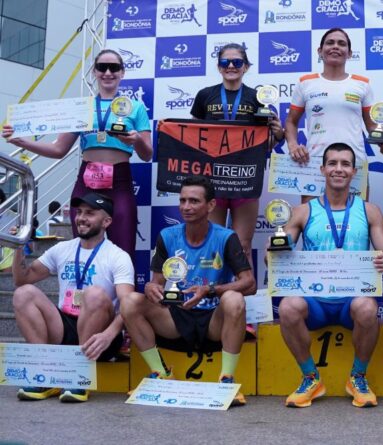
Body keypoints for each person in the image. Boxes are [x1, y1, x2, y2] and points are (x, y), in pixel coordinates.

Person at [275, 143, 383, 408]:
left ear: (354, 171)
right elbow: (275, 255)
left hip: (351, 301)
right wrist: (273, 249)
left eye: (345, 164)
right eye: (332, 163)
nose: (338, 169)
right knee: (287, 307)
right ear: (322, 169)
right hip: (314, 301)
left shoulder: (370, 210)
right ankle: (311, 378)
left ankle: (357, 377)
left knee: (368, 308)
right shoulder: (302, 211)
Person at [2, 49, 153, 260]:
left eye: (114, 68)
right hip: (86, 181)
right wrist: (21, 141)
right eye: (102, 67)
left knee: (124, 251)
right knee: (84, 249)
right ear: (94, 72)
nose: (107, 73)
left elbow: (147, 154)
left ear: (122, 72)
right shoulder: (82, 108)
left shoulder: (135, 107)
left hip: (119, 181)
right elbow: (59, 149)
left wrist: (136, 140)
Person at [120, 175, 256, 406]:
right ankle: (161, 373)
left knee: (234, 299)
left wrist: (210, 290)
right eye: (182, 200)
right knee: (130, 301)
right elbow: (157, 282)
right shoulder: (167, 236)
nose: (186, 207)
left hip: (214, 319)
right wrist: (152, 287)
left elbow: (249, 283)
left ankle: (227, 381)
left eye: (194, 201)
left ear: (210, 205)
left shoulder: (226, 237)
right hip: (176, 316)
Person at [11, 192, 134, 403]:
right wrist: (18, 246)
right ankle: (44, 374)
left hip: (100, 338)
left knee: (94, 294)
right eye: (80, 212)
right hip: (65, 326)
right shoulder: (62, 249)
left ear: (106, 222)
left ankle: (79, 377)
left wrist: (109, 335)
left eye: (90, 213)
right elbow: (23, 279)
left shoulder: (118, 256)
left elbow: (129, 305)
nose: (81, 218)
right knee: (23, 293)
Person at [190, 43, 284, 265]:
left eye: (237, 62)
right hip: (213, 179)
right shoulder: (205, 95)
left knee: (242, 245)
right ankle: (216, 288)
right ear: (219, 67)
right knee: (214, 246)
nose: (231, 66)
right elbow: (193, 137)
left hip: (245, 179)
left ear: (246, 67)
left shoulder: (257, 97)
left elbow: (264, 145)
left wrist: (278, 135)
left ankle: (245, 289)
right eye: (225, 62)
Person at [284, 28, 383, 199]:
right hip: (314, 163)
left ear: (349, 53)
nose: (335, 46)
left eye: (341, 44)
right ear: (320, 51)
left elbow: (372, 126)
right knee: (312, 216)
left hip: (354, 164)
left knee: (356, 216)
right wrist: (292, 145)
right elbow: (291, 121)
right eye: (330, 43)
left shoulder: (362, 84)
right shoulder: (305, 83)